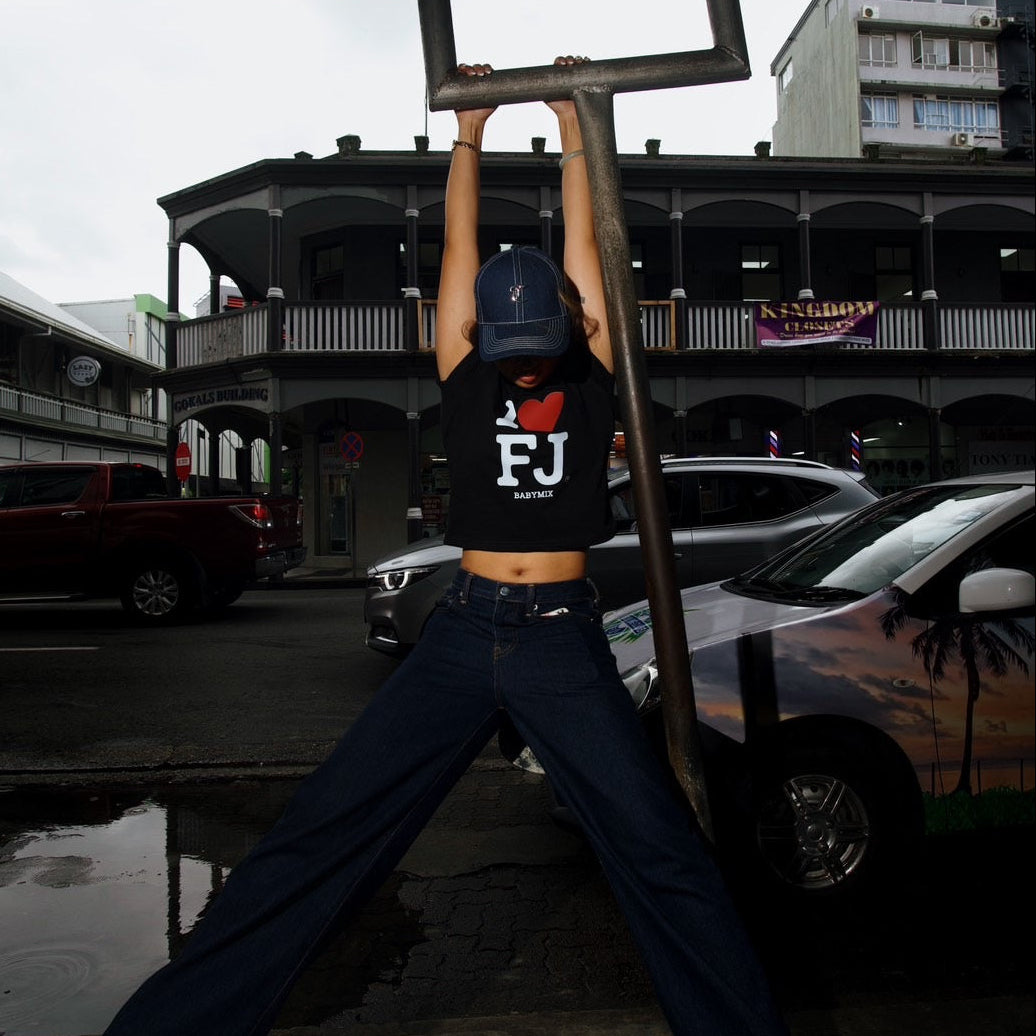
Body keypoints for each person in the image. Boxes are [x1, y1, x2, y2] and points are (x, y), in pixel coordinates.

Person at [103, 57, 789, 1036]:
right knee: (321, 834)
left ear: (571, 324)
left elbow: (589, 247)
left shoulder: (592, 365)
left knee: (660, 854)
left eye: (536, 339)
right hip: (463, 631)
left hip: (558, 639)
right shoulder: (464, 367)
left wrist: (570, 131)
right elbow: (457, 250)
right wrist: (465, 137)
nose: (518, 358)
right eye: (501, 342)